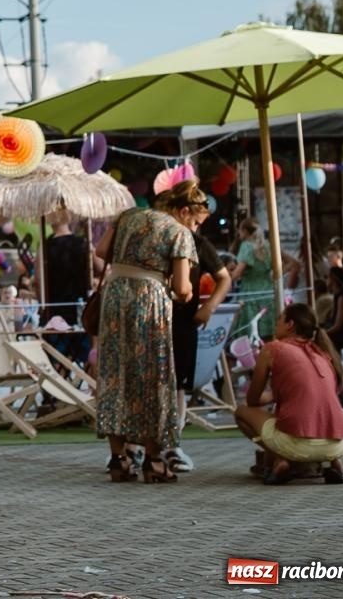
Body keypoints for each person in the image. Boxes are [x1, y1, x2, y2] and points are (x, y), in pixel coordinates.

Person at [93, 180, 198, 483]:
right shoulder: (179, 232)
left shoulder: (128, 215)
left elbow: (101, 250)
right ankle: (153, 460)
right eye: (194, 220)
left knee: (116, 373)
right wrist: (185, 293)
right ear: (183, 210)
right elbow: (181, 288)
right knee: (153, 376)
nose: (194, 226)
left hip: (115, 297)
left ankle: (119, 459)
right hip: (149, 302)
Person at [234, 303, 343, 485]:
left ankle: (281, 459)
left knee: (241, 412)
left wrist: (274, 394)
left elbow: (253, 400)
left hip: (294, 444)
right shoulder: (323, 352)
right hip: (338, 445)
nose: (276, 322)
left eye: (280, 318)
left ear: (290, 324)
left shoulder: (273, 348)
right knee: (339, 413)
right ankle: (336, 463)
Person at [163, 231, 232, 473]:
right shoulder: (162, 238)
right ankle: (148, 446)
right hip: (159, 319)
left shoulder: (199, 243)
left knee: (179, 385)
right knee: (164, 384)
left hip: (183, 321)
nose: (197, 224)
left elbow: (223, 278)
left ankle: (173, 443)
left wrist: (209, 307)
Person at [232, 216, 299, 340]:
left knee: (249, 338)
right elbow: (293, 263)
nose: (239, 233)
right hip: (269, 293)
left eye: (240, 230)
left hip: (250, 294)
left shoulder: (247, 246)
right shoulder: (269, 245)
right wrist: (276, 273)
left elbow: (236, 275)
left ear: (245, 231)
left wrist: (223, 277)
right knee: (269, 336)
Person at [42, 218, 92, 326]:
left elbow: (38, 280)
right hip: (80, 306)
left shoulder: (45, 246)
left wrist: (42, 305)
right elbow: (100, 267)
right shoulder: (83, 243)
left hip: (53, 308)